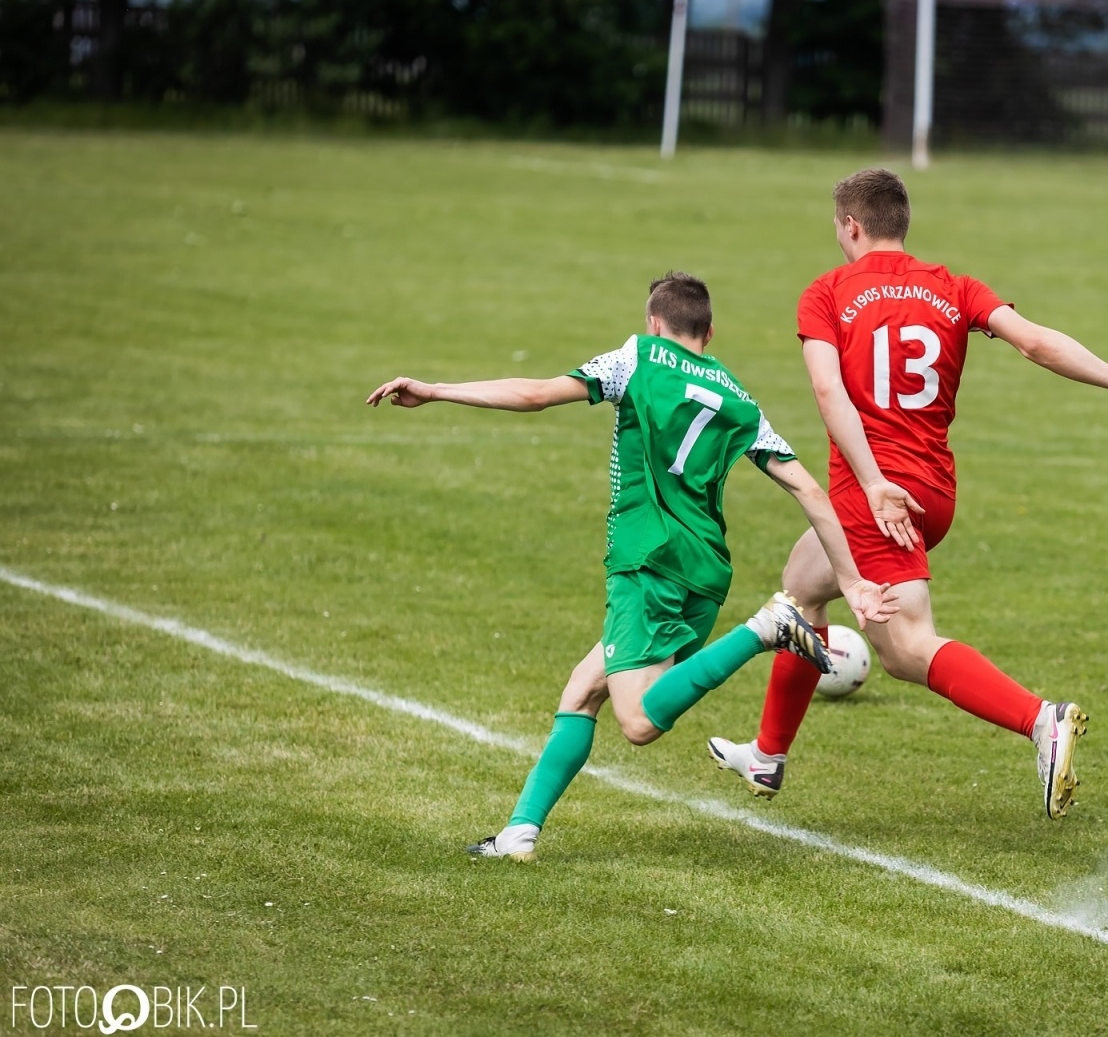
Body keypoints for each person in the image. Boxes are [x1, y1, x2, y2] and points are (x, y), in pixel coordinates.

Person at [706, 168, 1108, 820]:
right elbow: (1038, 343)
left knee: (906, 648)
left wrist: (873, 481)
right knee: (802, 586)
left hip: (876, 496)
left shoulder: (826, 292)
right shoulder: (951, 286)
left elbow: (828, 392)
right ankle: (768, 753)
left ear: (850, 225)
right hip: (932, 488)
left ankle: (1040, 721)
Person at [366, 271, 896, 861]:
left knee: (639, 722)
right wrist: (851, 581)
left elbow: (537, 394)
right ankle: (519, 833)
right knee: (582, 689)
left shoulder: (636, 358)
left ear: (654, 323)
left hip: (646, 564)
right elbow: (812, 494)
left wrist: (436, 390)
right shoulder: (738, 398)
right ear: (709, 331)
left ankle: (765, 629)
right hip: (704, 572)